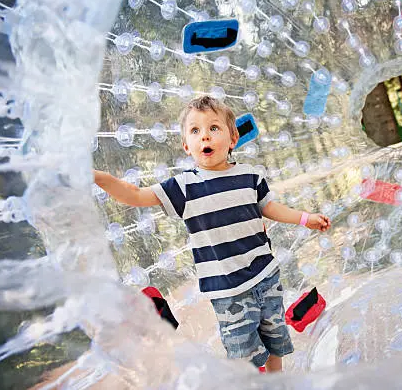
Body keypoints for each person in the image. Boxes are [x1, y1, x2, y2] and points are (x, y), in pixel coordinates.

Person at [94, 96, 331, 372]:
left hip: (266, 277)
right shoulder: (184, 187)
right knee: (245, 358)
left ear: (233, 138)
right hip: (228, 293)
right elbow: (134, 195)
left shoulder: (250, 176)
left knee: (275, 342)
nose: (204, 135)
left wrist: (305, 219)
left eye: (214, 128)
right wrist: (99, 178)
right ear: (186, 145)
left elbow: (270, 208)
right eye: (195, 130)